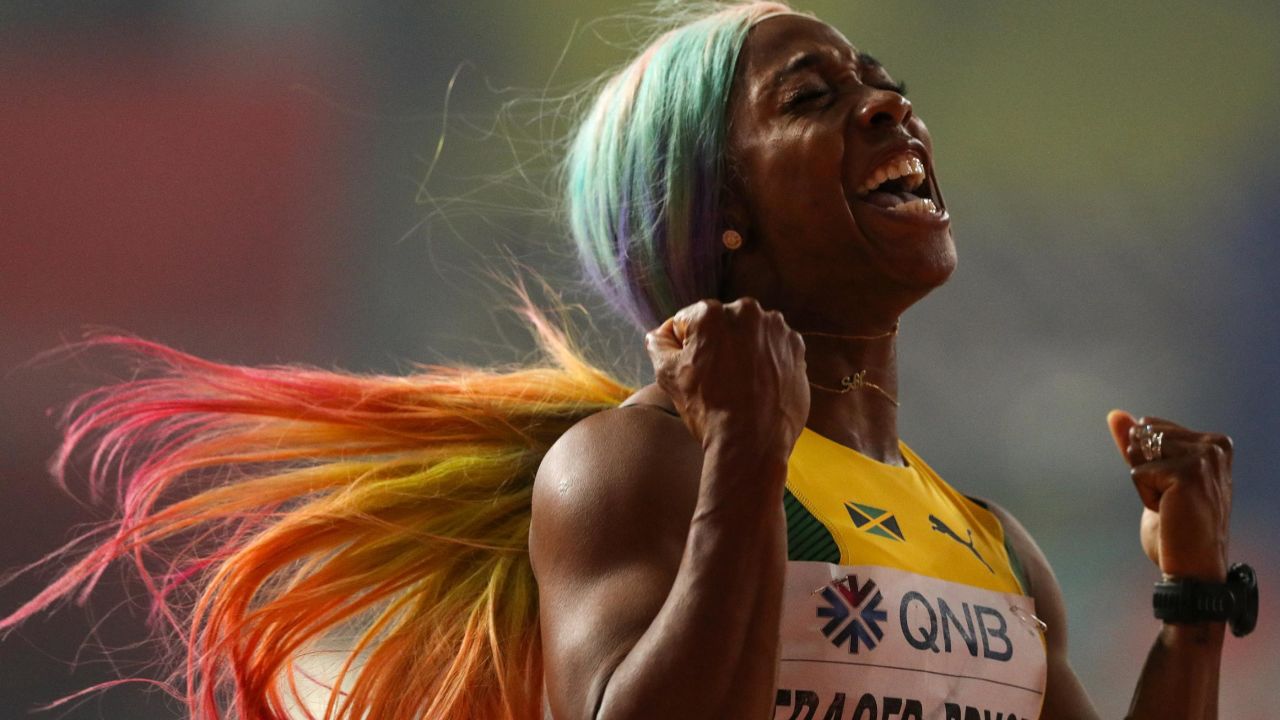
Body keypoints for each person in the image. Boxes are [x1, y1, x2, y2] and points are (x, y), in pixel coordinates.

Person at [1, 2, 1250, 719]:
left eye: (886, 85)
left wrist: (1189, 604)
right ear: (718, 214)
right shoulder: (632, 464)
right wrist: (749, 456)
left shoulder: (987, 541)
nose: (889, 109)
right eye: (813, 97)